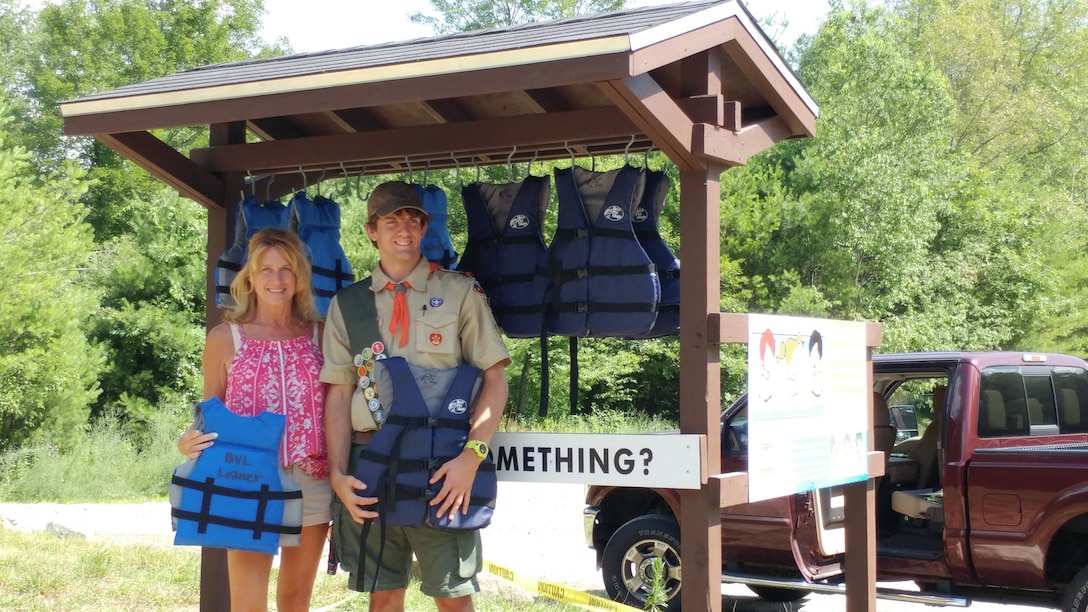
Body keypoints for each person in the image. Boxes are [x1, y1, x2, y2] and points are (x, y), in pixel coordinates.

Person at [322, 180, 510, 612]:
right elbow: (338, 394)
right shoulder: (348, 305)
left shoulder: (461, 291)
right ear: (372, 230)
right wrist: (336, 475)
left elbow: (494, 378)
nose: (404, 229)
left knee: (453, 596)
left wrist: (472, 456)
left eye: (414, 219)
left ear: (425, 228)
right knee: (383, 596)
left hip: (443, 469)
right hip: (371, 465)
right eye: (392, 220)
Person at [177, 228, 331, 612]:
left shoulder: (322, 334)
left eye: (286, 269)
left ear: (299, 277)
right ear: (249, 276)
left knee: (296, 601)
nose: (276, 279)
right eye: (265, 269)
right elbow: (209, 412)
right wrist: (188, 440)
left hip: (311, 479)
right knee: (248, 604)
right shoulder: (224, 338)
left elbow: (339, 407)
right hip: (245, 478)